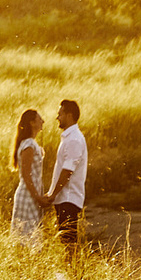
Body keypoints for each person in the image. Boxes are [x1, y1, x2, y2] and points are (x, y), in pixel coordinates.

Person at [9, 107, 60, 248]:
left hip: (30, 194)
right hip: (28, 195)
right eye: (39, 119)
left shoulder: (30, 143)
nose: (42, 121)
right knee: (27, 240)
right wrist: (37, 197)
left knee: (29, 237)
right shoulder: (29, 145)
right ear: (32, 123)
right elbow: (26, 175)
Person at [48, 98, 91, 256]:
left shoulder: (74, 139)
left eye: (60, 114)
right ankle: (73, 275)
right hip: (64, 198)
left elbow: (67, 171)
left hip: (68, 198)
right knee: (66, 241)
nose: (57, 117)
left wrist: (53, 194)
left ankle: (77, 277)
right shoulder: (69, 138)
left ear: (70, 115)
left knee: (69, 243)